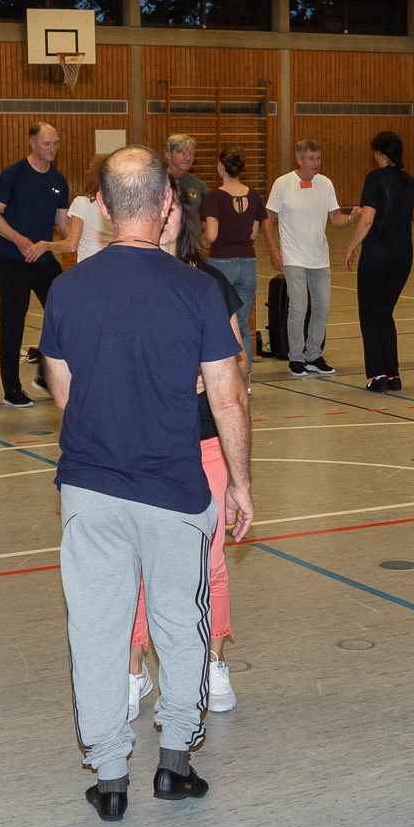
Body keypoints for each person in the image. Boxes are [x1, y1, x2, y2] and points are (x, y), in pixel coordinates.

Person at [41, 147, 253, 821]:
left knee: (97, 631)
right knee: (180, 625)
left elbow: (64, 392)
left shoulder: (68, 288)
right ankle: (174, 765)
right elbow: (228, 397)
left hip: (90, 490)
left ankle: (109, 778)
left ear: (102, 208)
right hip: (174, 489)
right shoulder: (198, 290)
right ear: (167, 204)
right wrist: (240, 483)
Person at [127, 191, 250, 719]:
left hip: (204, 443)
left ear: (184, 220)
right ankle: (134, 670)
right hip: (143, 445)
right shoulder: (127, 280)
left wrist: (210, 370)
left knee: (211, 559)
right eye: (156, 209)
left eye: (172, 210)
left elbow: (239, 364)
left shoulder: (209, 284)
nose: (163, 218)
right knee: (138, 564)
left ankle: (214, 663)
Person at [0, 122, 69, 407]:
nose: (52, 148)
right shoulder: (13, 174)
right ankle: (11, 389)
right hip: (13, 261)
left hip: (44, 260)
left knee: (64, 313)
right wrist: (19, 239)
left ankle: (45, 373)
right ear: (32, 143)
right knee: (13, 323)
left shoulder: (58, 180)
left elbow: (63, 223)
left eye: (55, 143)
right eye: (47, 143)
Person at [263, 140, 353, 377]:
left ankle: (313, 355)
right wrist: (273, 249)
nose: (316, 163)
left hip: (320, 258)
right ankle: (296, 358)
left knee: (322, 308)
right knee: (299, 308)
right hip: (293, 257)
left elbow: (336, 219)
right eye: (312, 158)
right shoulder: (283, 184)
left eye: (318, 158)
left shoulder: (325, 184)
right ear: (299, 159)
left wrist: (352, 217)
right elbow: (267, 219)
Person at [343, 132, 414, 392]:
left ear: (380, 154)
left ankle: (378, 375)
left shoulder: (375, 179)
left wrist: (352, 246)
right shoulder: (409, 181)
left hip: (377, 257)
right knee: (384, 313)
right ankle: (393, 374)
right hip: (403, 257)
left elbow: (368, 218)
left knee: (369, 314)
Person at [201, 148, 262, 366]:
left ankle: (226, 374)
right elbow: (253, 234)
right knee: (243, 324)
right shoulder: (253, 195)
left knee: (223, 324)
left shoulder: (214, 196)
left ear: (220, 167)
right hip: (248, 262)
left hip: (222, 264)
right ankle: (246, 377)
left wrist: (200, 240)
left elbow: (211, 234)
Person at [64, 153, 113, 265]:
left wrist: (44, 245)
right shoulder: (120, 203)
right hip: (113, 264)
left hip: (89, 266)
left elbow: (71, 245)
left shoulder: (81, 203)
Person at [165, 133, 206, 210]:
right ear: (169, 155)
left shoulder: (199, 185)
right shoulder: (158, 181)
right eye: (183, 153)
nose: (188, 158)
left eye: (191, 153)